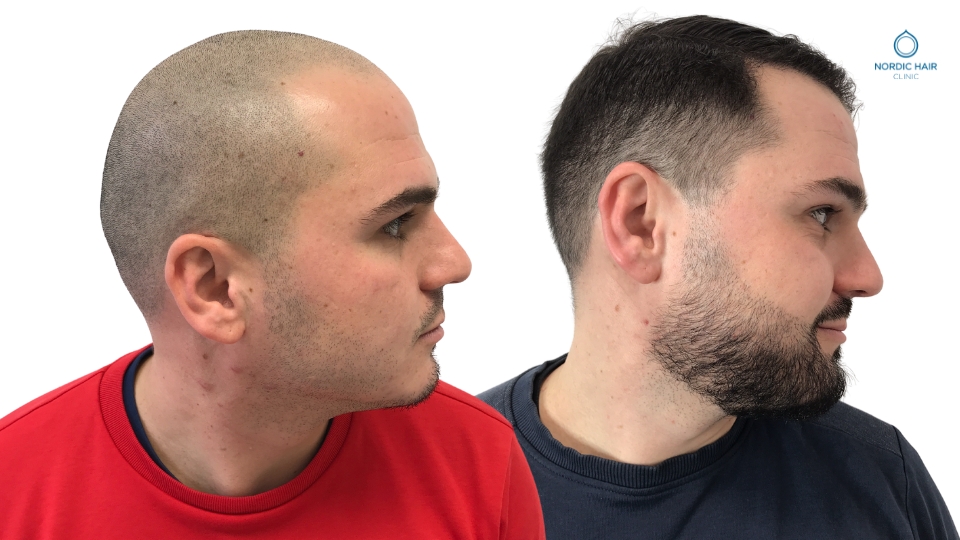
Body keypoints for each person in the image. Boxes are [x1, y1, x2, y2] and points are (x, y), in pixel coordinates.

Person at [0, 31, 544, 539]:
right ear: (215, 289)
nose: (454, 263)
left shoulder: (478, 461)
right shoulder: (13, 494)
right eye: (395, 225)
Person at [479, 15, 957, 540]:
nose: (868, 277)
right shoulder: (439, 484)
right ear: (641, 223)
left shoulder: (882, 483)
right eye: (821, 214)